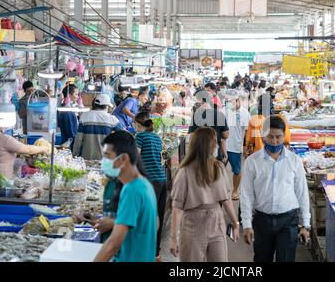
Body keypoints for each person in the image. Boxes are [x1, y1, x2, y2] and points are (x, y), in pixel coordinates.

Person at [240, 115, 311, 262]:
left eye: (278, 137)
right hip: (262, 221)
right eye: (270, 137)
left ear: (284, 136)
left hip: (288, 221)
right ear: (263, 136)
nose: (274, 141)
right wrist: (247, 224)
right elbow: (246, 195)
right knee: (261, 259)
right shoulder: (252, 162)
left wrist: (305, 225)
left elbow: (302, 193)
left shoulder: (294, 161)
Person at [170, 127, 240, 262]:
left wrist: (235, 223)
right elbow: (177, 208)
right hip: (192, 224)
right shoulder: (184, 172)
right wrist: (174, 238)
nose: (218, 146)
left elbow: (226, 199)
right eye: (215, 143)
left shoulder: (219, 167)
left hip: (216, 221)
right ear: (207, 145)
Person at [94, 131, 157, 262]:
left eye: (107, 156)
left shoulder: (132, 190)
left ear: (123, 159)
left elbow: (114, 243)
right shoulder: (145, 184)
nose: (103, 161)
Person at [134, 112, 167, 262]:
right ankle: (155, 253)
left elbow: (135, 157)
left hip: (149, 182)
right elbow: (160, 160)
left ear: (138, 124)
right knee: (158, 216)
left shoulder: (140, 137)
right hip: (161, 180)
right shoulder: (157, 138)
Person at [72, 94, 123, 160]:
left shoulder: (84, 116)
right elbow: (125, 135)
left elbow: (78, 140)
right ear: (106, 106)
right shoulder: (112, 119)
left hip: (86, 159)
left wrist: (75, 155)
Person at [189, 90, 229, 162]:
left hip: (200, 155)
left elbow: (192, 137)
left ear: (201, 100)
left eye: (196, 100)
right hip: (216, 153)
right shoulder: (219, 115)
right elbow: (226, 135)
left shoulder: (196, 115)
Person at [225, 91, 250, 200]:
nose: (232, 103)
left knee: (237, 170)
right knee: (218, 171)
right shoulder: (224, 111)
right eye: (229, 101)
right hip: (223, 146)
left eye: (234, 100)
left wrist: (245, 147)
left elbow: (247, 132)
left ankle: (235, 190)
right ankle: (220, 192)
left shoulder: (245, 113)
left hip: (236, 147)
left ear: (239, 100)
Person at [57, 84, 79, 148]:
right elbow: (71, 133)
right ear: (69, 95)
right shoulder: (68, 111)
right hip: (68, 145)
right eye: (76, 94)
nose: (77, 97)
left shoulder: (64, 108)